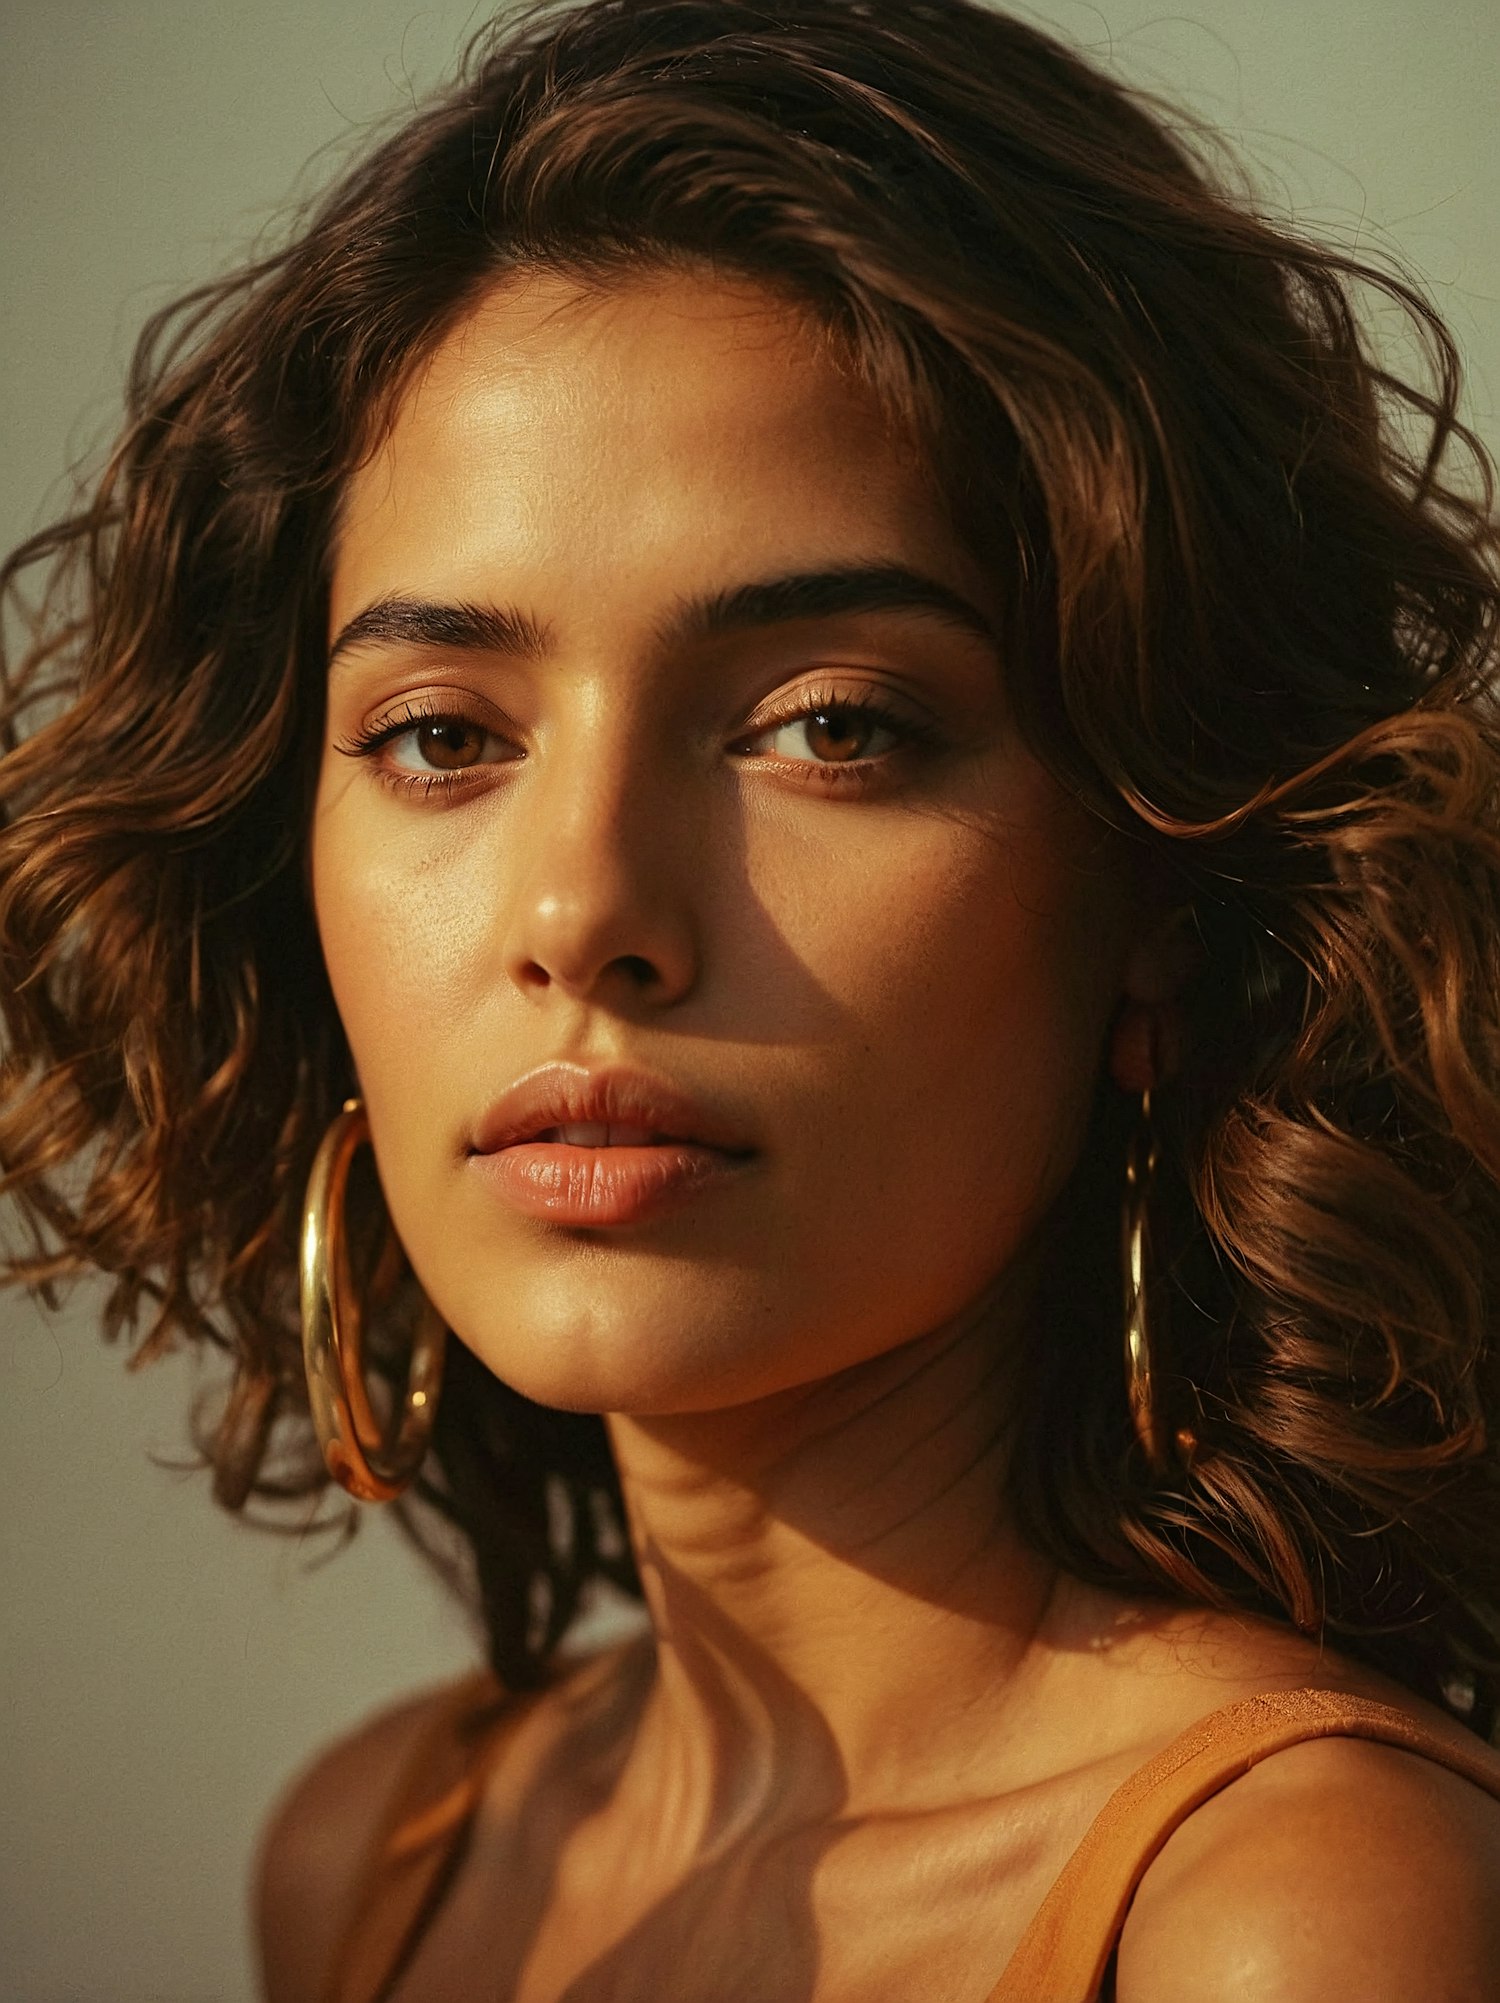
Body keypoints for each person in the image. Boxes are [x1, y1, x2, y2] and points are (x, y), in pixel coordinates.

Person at [3, 0, 1499, 1995]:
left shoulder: (1295, 1917)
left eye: (830, 727)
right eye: (444, 735)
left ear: (1162, 887)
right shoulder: (386, 1864)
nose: (583, 911)